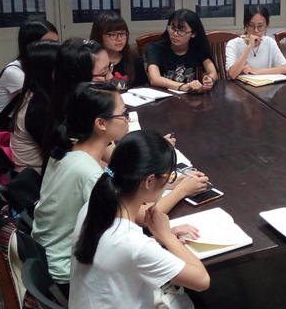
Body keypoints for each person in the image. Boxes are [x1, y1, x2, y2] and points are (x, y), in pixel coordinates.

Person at [68, 130, 232, 309]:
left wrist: (160, 236)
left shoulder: (94, 207)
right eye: (167, 178)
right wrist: (165, 235)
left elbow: (124, 245)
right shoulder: (132, 244)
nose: (168, 183)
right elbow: (202, 280)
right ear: (148, 181)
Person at [33, 82, 205, 296]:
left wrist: (165, 181)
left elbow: (120, 171)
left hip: (51, 252)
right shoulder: (88, 173)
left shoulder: (73, 146)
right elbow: (143, 218)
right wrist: (182, 190)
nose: (128, 119)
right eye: (123, 114)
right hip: (68, 271)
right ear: (100, 123)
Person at [42, 38, 112, 163]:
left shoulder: (65, 101)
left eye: (110, 67)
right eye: (104, 72)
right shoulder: (79, 117)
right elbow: (115, 160)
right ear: (80, 78)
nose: (110, 76)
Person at [0, 16, 58, 128]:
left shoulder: (38, 68)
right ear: (29, 47)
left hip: (20, 125)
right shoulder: (13, 72)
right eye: (47, 44)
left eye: (56, 43)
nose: (54, 49)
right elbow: (44, 99)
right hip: (1, 130)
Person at [9, 39, 60, 173]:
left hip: (43, 170)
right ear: (48, 71)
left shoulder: (37, 94)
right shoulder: (39, 108)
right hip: (36, 177)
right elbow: (59, 154)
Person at [147, 9, 218, 92]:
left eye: (181, 31)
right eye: (172, 28)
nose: (175, 34)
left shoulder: (196, 47)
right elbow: (154, 79)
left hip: (189, 96)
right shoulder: (156, 48)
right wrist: (182, 86)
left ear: (193, 33)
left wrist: (210, 80)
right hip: (163, 94)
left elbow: (213, 72)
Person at [226, 5, 286, 79]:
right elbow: (232, 74)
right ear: (245, 26)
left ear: (267, 26)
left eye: (260, 26)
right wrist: (249, 47)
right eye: (251, 26)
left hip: (265, 84)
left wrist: (257, 71)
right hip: (241, 85)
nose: (256, 30)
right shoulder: (233, 44)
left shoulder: (270, 42)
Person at [90, 11, 147, 89]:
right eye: (112, 34)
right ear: (99, 35)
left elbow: (142, 87)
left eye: (122, 34)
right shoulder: (90, 60)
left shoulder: (133, 58)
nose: (119, 39)